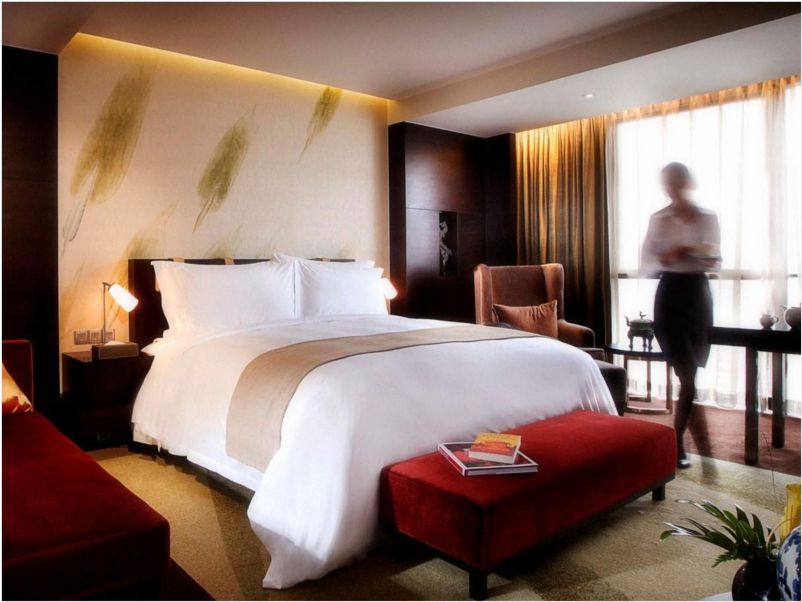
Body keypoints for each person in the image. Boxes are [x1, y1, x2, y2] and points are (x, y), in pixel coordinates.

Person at [641, 162, 721, 469]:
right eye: (667, 182)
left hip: (698, 296)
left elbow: (715, 260)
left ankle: (678, 440)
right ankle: (678, 443)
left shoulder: (708, 217)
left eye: (675, 181)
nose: (671, 187)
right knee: (686, 373)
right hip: (670, 295)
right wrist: (672, 255)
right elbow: (647, 264)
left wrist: (687, 252)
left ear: (687, 182)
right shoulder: (658, 219)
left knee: (690, 373)